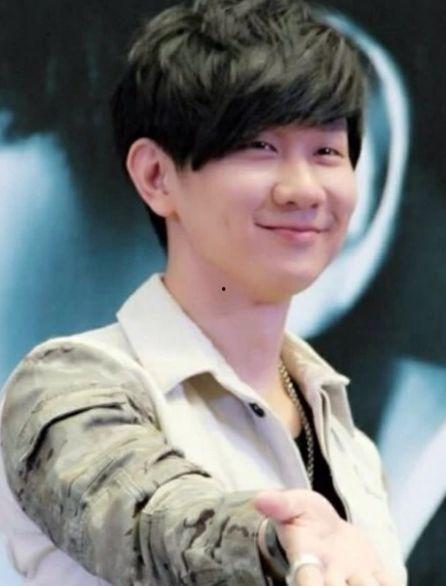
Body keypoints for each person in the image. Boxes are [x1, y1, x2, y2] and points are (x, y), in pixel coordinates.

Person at [0, 0, 407, 584]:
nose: (303, 189)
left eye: (326, 152)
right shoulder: (66, 389)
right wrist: (272, 541)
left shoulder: (352, 448)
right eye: (259, 147)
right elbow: (150, 513)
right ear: (156, 176)